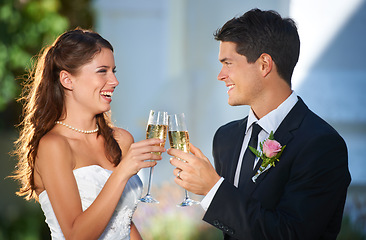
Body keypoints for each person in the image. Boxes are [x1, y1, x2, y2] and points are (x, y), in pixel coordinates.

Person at [168, 8, 351, 240]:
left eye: (228, 63)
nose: (220, 75)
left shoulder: (321, 145)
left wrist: (213, 189)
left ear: (264, 64)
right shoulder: (225, 139)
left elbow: (291, 235)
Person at [12, 28, 165, 239]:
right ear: (67, 80)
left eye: (114, 71)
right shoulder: (54, 146)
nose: (114, 81)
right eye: (102, 71)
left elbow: (124, 223)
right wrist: (122, 172)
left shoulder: (121, 140)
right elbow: (76, 235)